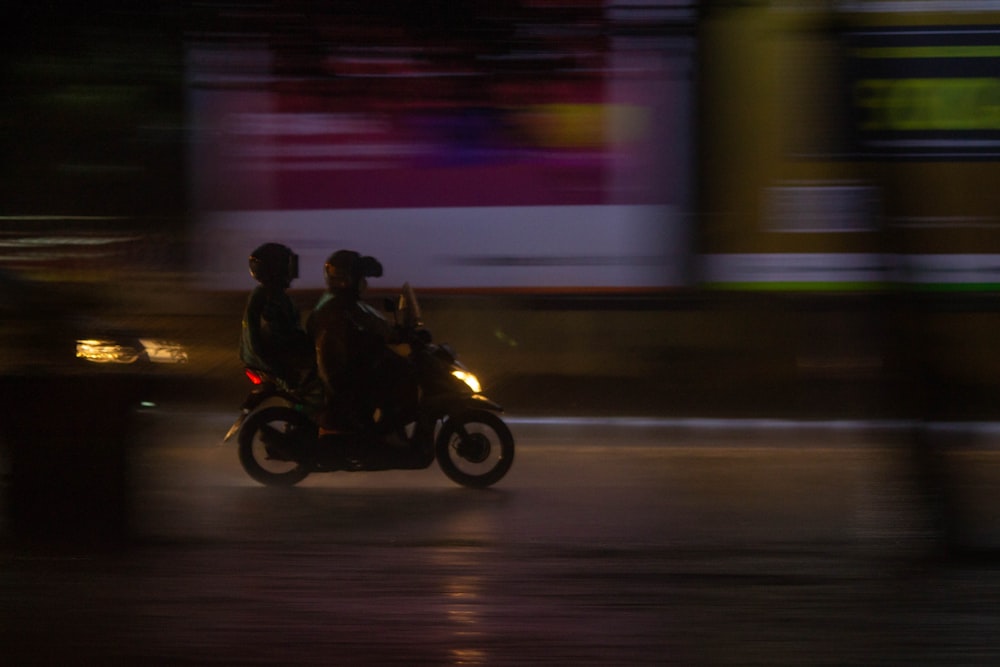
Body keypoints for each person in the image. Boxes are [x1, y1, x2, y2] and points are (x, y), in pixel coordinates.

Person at [307, 249, 410, 434]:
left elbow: (372, 323)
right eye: (360, 277)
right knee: (396, 380)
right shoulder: (340, 305)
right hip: (341, 373)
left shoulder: (340, 301)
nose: (364, 283)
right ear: (347, 278)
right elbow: (371, 325)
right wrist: (393, 336)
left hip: (342, 367)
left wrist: (391, 332)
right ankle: (384, 434)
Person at [240, 242, 314, 390]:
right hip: (278, 360)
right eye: (287, 265)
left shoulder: (268, 293)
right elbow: (281, 333)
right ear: (276, 269)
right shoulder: (269, 297)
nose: (291, 270)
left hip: (272, 357)